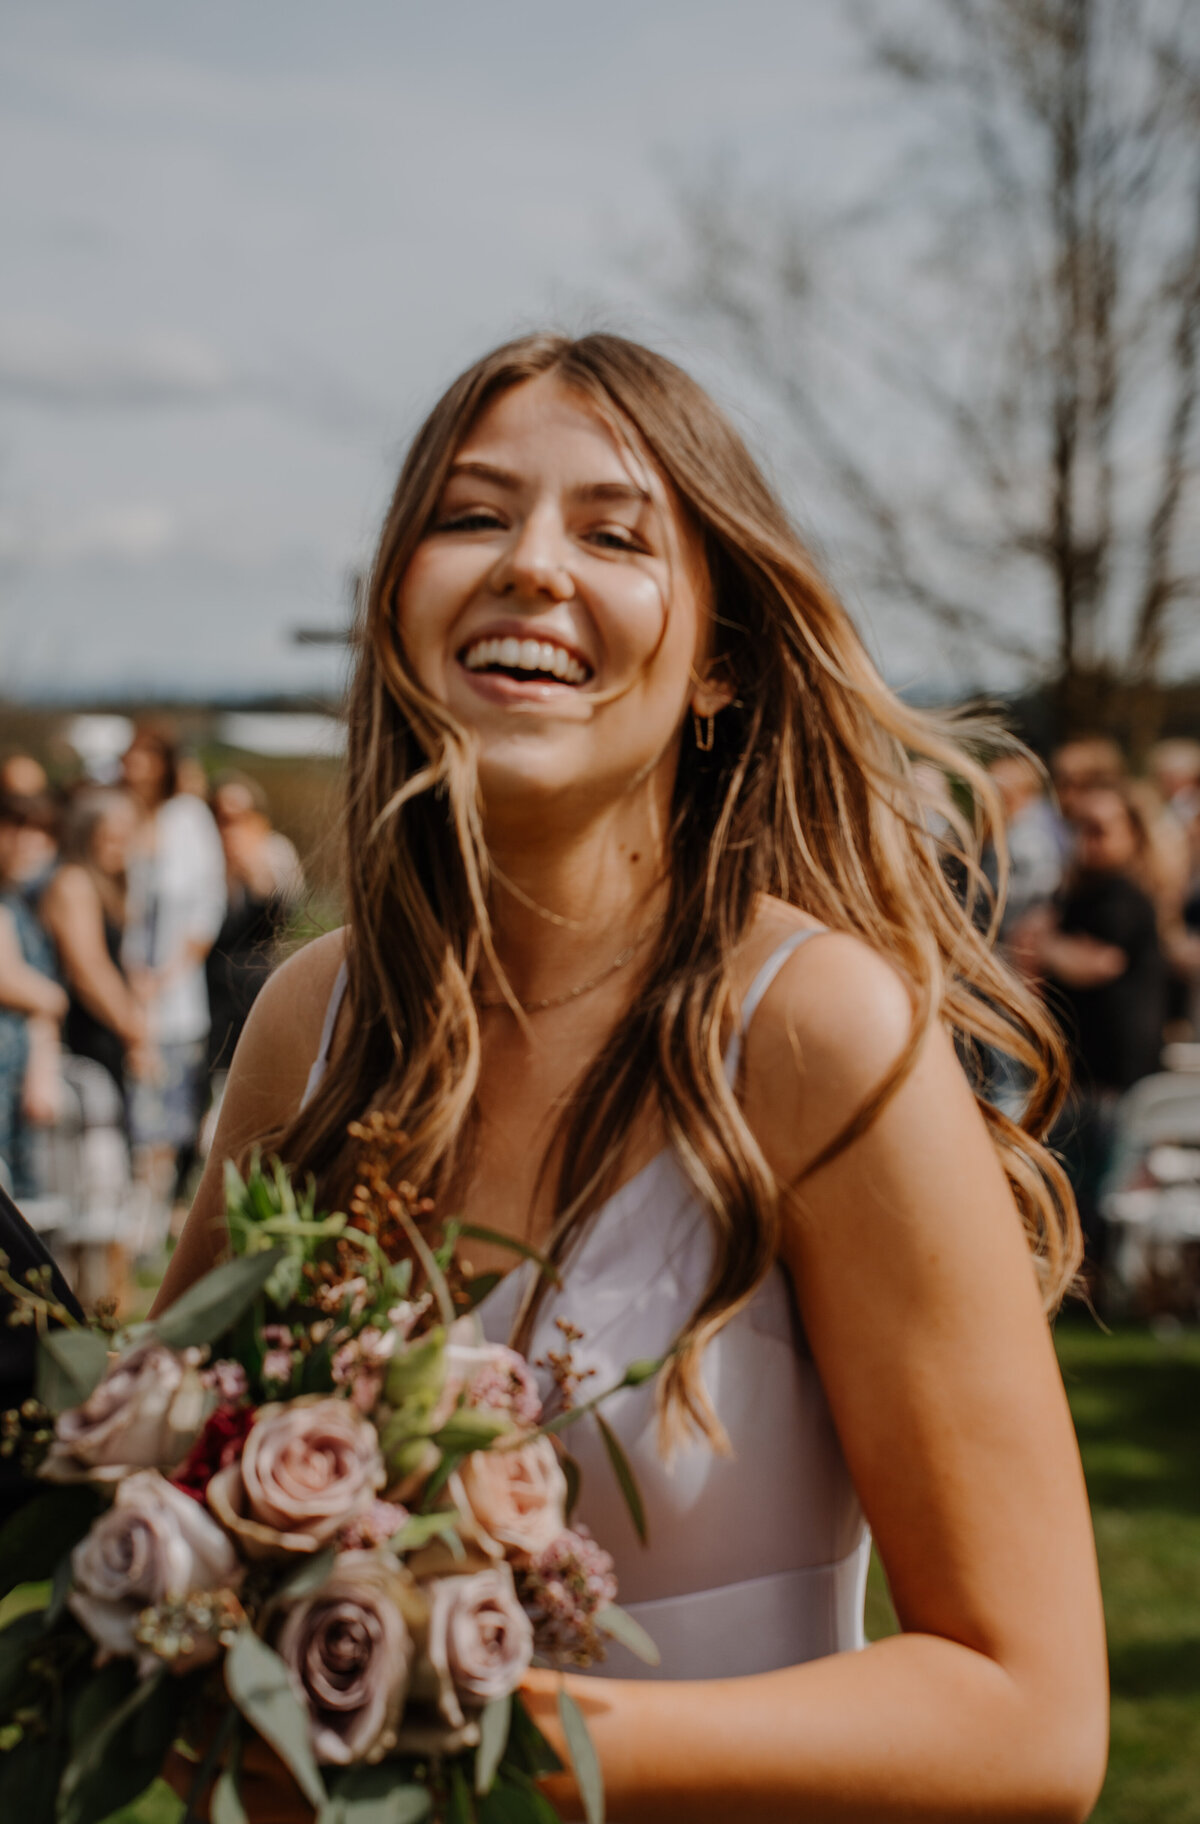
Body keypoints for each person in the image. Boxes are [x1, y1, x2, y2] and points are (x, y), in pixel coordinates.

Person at [154, 333, 1107, 1822]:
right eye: (470, 516)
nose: (531, 565)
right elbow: (164, 1564)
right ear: (397, 612)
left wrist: (504, 1735)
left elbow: (1030, 1718)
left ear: (721, 660)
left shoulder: (815, 1035)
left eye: (614, 533)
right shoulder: (311, 1028)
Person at [1022, 782, 1169, 1264]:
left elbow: (1095, 962)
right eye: (1081, 829)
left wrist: (1046, 948)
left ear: (1130, 835)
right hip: (1077, 1073)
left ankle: (1096, 1284)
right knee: (1072, 1183)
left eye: (1101, 830)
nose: (1089, 840)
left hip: (1115, 1076)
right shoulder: (1075, 895)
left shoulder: (1125, 897)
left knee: (1100, 1192)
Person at [120, 728, 226, 1202]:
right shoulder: (117, 812)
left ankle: (156, 1216)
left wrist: (165, 976)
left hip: (174, 991)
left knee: (167, 1111)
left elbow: (208, 906)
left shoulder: (189, 819)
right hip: (118, 986)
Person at [39, 788, 150, 1104]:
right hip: (84, 1030)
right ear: (86, 835)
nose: (122, 847)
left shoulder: (107, 885)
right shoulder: (73, 882)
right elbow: (88, 968)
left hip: (105, 1024)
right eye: (112, 837)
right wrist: (133, 1030)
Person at [206, 772, 305, 1076]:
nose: (230, 826)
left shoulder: (276, 851)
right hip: (212, 984)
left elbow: (284, 915)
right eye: (222, 817)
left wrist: (252, 869)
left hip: (256, 979)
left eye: (239, 816)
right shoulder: (204, 857)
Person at [0, 796, 67, 1196]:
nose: (30, 843)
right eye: (18, 830)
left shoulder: (20, 902)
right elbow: (8, 979)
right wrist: (54, 996)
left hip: (16, 1078)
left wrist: (43, 1063)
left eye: (41, 834)